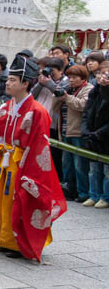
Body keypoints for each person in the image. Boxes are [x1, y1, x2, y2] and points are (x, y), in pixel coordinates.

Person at [0, 53, 67, 260]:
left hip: (24, 162)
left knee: (20, 200)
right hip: (4, 159)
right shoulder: (6, 107)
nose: (8, 82)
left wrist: (26, 168)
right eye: (9, 79)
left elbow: (39, 145)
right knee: (1, 199)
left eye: (13, 80)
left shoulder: (38, 111)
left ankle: (18, 242)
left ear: (25, 84)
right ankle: (5, 238)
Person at [56, 65, 93, 202]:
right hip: (65, 129)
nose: (70, 80)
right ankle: (69, 190)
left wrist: (67, 98)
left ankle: (83, 192)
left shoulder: (88, 89)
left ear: (82, 78)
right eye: (69, 77)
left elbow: (83, 105)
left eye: (74, 77)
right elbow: (55, 108)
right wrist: (58, 96)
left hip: (78, 132)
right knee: (67, 163)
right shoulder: (68, 89)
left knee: (80, 165)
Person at [81, 65, 109, 208]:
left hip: (105, 136)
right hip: (92, 133)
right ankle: (94, 194)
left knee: (106, 170)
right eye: (99, 73)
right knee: (93, 169)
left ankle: (105, 196)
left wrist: (99, 133)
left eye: (105, 73)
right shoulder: (94, 92)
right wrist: (85, 130)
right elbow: (86, 112)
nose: (101, 76)